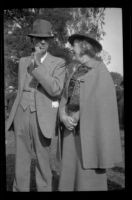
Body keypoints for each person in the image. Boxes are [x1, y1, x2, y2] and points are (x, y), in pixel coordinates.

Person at [6, 19, 66, 192]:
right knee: (21, 159)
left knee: (43, 159)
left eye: (45, 39)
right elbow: (21, 89)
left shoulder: (58, 62)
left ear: (50, 40)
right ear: (32, 40)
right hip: (21, 113)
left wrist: (38, 65)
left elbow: (55, 90)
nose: (42, 41)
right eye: (38, 38)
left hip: (43, 116)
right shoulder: (23, 61)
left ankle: (45, 189)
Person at [57, 33, 123, 191]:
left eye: (75, 45)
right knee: (69, 176)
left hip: (90, 137)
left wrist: (77, 114)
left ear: (84, 47)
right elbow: (65, 97)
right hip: (70, 132)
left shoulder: (101, 71)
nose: (72, 48)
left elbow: (102, 105)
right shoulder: (77, 70)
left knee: (88, 181)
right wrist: (62, 115)